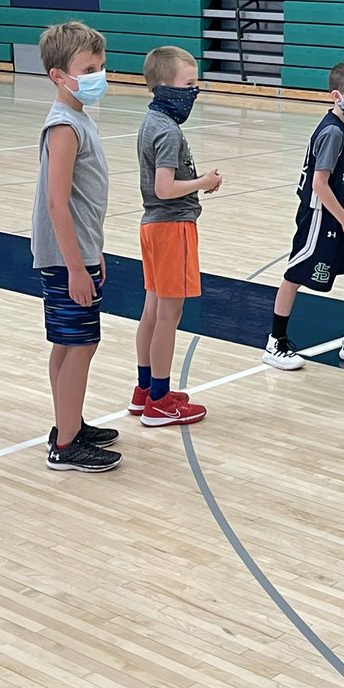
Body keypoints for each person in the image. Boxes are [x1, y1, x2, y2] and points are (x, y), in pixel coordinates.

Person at [31, 20, 122, 472]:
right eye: (89, 68)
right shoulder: (64, 126)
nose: (98, 76)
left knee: (68, 345)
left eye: (100, 66)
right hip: (67, 260)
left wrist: (93, 251)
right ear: (58, 75)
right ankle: (67, 446)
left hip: (79, 251)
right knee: (81, 345)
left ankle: (68, 423)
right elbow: (56, 202)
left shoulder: (77, 118)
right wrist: (74, 267)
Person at [263, 62, 344, 371]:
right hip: (320, 216)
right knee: (294, 275)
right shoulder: (333, 131)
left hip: (339, 212)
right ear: (337, 96)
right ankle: (275, 342)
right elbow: (319, 184)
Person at [131, 46, 223, 426]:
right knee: (170, 314)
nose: (194, 92)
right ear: (165, 86)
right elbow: (165, 187)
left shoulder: (150, 123)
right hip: (171, 226)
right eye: (189, 84)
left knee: (152, 310)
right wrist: (204, 182)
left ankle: (144, 390)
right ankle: (159, 401)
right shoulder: (168, 132)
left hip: (152, 226)